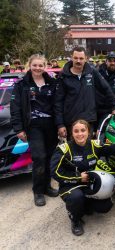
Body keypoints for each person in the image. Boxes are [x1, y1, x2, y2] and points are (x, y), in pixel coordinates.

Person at [51, 119, 115, 235]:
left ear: (88, 132)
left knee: (105, 206)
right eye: (76, 131)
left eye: (83, 130)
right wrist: (77, 177)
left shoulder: (94, 145)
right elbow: (55, 171)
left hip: (89, 183)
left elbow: (111, 149)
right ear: (72, 133)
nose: (80, 134)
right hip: (69, 185)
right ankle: (75, 219)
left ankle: (84, 205)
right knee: (76, 198)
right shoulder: (64, 149)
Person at [10, 54, 58, 206]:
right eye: (34, 65)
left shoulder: (52, 83)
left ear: (45, 67)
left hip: (51, 125)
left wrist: (61, 124)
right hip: (33, 127)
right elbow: (15, 108)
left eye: (40, 65)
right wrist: (18, 128)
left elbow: (58, 105)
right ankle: (38, 191)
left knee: (50, 157)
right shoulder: (21, 85)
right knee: (39, 157)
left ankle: (47, 186)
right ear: (29, 66)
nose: (37, 68)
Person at [54, 47, 115, 138]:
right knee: (73, 150)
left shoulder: (92, 72)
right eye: (76, 58)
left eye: (81, 58)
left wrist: (114, 106)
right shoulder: (63, 76)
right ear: (71, 57)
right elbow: (58, 101)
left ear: (86, 59)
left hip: (88, 119)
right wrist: (60, 124)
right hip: (71, 121)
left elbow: (106, 88)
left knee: (88, 149)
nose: (78, 61)